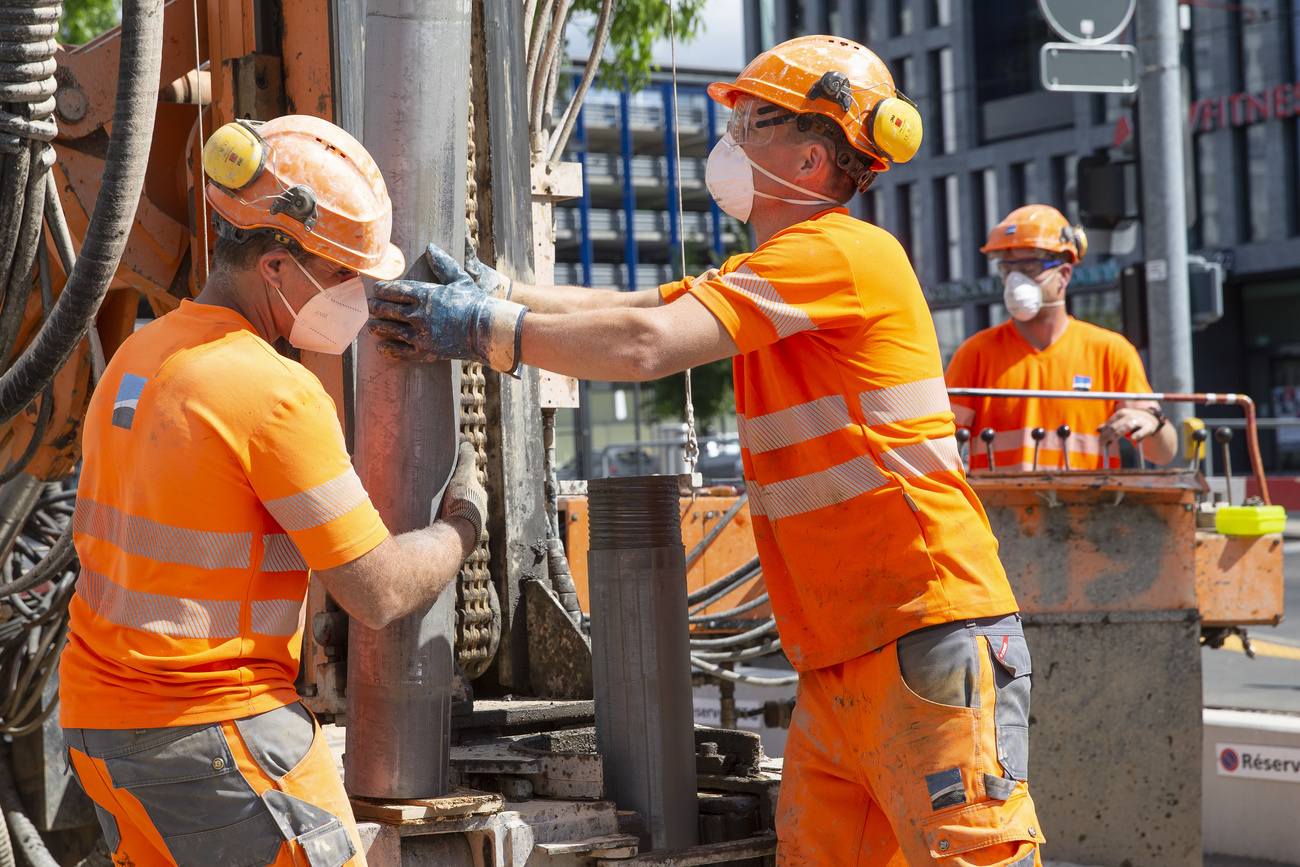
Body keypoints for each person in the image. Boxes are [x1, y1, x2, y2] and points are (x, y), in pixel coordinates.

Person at [369, 36, 1044, 867]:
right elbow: (633, 304)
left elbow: (646, 342)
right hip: (849, 657)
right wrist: (501, 291)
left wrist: (481, 327)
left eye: (752, 121)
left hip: (921, 636)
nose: (729, 141)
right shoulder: (781, 270)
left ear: (808, 156)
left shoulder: (838, 252)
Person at [59, 115, 485, 867]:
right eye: (346, 273)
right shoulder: (273, 392)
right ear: (278, 267)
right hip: (211, 733)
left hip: (99, 727)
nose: (357, 295)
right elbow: (378, 589)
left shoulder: (137, 356)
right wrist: (463, 524)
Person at [946, 204, 1179, 470]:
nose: (1014, 281)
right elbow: (940, 442)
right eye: (1007, 269)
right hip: (1001, 509)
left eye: (1030, 267)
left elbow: (1163, 453)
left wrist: (1153, 423)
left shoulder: (1109, 351)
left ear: (1064, 276)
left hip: (1087, 508)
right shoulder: (976, 353)